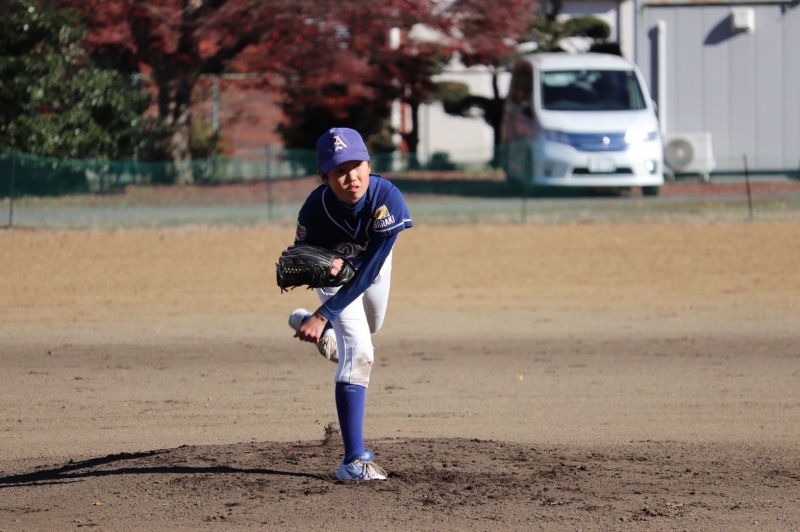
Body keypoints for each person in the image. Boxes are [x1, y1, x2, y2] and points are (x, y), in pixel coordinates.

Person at [287, 127, 412, 480]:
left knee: (371, 326)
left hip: (372, 268)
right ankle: (353, 462)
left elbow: (370, 268)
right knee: (360, 352)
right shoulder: (314, 210)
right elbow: (299, 257)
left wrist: (322, 316)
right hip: (333, 275)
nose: (351, 177)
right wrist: (319, 269)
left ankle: (325, 332)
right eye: (339, 171)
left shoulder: (386, 196)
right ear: (323, 177)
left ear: (369, 164)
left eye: (356, 165)